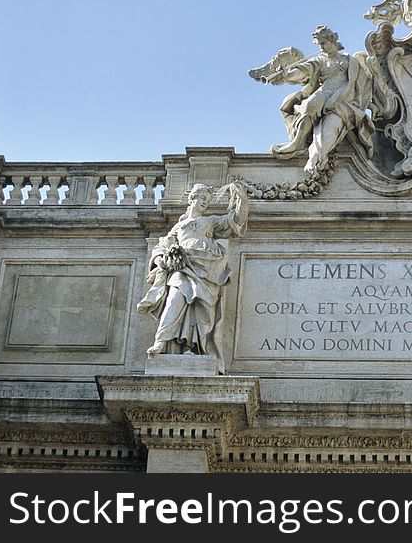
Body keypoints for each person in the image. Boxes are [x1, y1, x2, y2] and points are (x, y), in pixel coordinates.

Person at [136, 182, 249, 373]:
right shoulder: (178, 227)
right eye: (202, 198)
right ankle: (162, 342)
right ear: (192, 198)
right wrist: (162, 259)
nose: (205, 202)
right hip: (182, 268)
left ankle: (193, 348)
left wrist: (241, 200)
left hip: (206, 271)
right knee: (174, 301)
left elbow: (236, 220)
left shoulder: (211, 222)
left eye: (208, 200)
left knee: (201, 310)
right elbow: (161, 247)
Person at [270, 25, 374, 174]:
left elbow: (361, 87)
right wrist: (287, 74)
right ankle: (298, 142)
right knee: (308, 106)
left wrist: (371, 105)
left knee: (329, 129)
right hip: (325, 93)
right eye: (320, 45)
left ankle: (315, 158)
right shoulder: (320, 61)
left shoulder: (351, 61)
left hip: (344, 101)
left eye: (324, 44)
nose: (322, 48)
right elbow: (303, 71)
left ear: (332, 41)